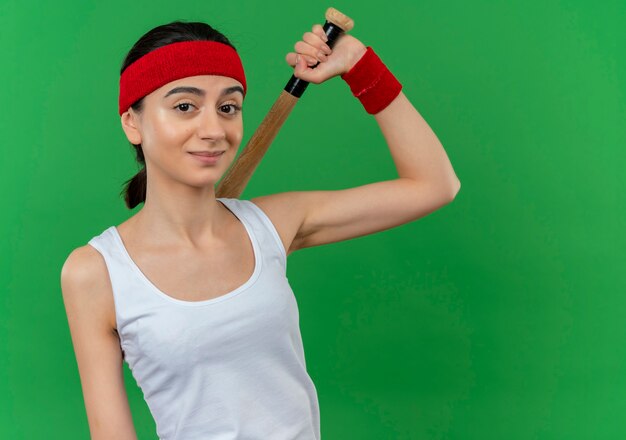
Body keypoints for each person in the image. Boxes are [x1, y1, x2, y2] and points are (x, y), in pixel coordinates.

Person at [60, 18, 460, 440]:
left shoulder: (273, 225)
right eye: (184, 106)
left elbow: (435, 184)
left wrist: (358, 64)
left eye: (228, 107)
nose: (213, 130)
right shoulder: (96, 273)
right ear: (132, 123)